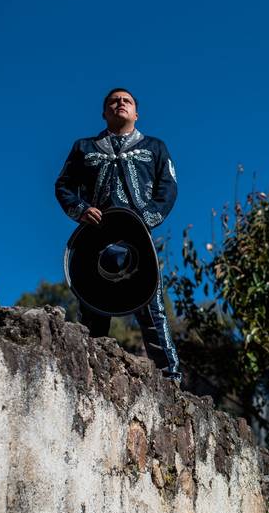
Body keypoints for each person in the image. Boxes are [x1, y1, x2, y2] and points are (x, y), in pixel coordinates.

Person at [55, 88, 182, 381]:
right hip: (95, 236)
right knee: (92, 304)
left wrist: (146, 218)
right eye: (114, 101)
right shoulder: (84, 147)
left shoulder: (155, 147)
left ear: (136, 113)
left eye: (127, 101)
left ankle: (172, 379)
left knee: (152, 305)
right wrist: (80, 209)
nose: (120, 103)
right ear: (104, 113)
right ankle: (84, 374)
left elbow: (168, 188)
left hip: (138, 236)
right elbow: (63, 186)